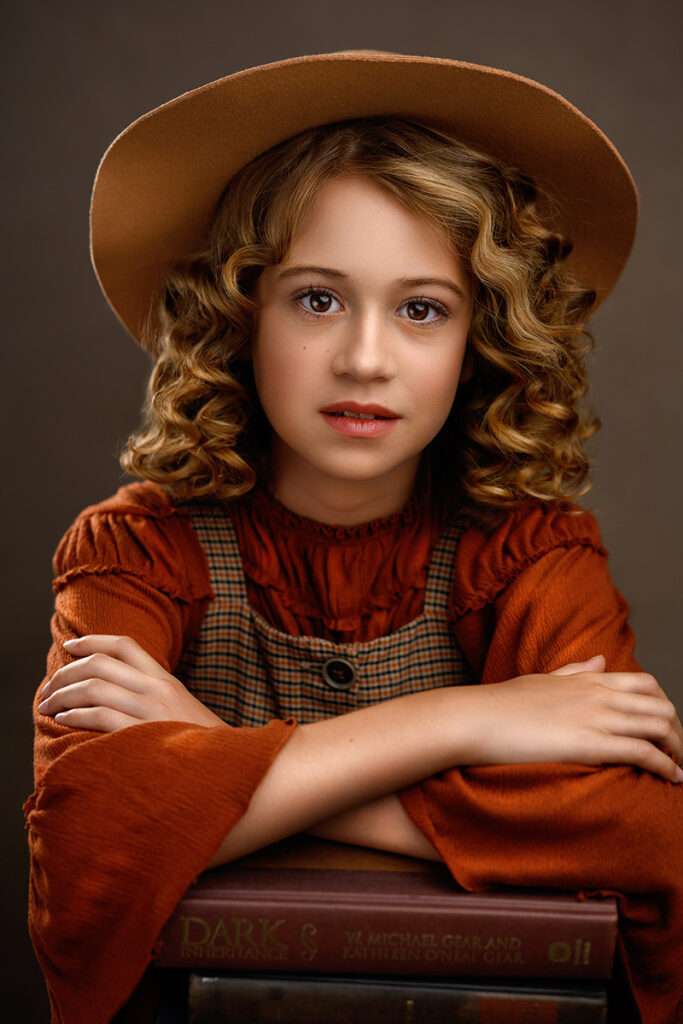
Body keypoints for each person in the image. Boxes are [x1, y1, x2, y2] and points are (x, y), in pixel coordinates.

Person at [24, 50, 683, 1024]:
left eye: (421, 309)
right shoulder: (137, 553)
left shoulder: (529, 555)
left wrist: (217, 759)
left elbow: (640, 837)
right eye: (317, 298)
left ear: (478, 341)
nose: (364, 359)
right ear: (242, 314)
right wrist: (464, 721)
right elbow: (87, 846)